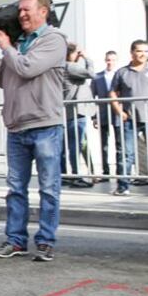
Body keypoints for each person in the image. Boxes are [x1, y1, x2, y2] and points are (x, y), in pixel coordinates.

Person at [0, 0, 67, 262]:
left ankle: (45, 241)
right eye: (19, 10)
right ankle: (16, 240)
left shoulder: (53, 40)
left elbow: (26, 68)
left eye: (26, 10)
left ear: (43, 11)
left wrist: (8, 47)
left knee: (48, 187)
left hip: (45, 125)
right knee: (16, 189)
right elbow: (1, 78)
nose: (21, 15)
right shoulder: (17, 42)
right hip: (16, 126)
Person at [108, 40, 148, 196]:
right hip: (129, 120)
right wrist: (119, 111)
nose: (143, 54)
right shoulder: (122, 72)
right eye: (140, 51)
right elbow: (113, 92)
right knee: (126, 154)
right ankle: (123, 186)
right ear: (132, 52)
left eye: (146, 51)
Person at [60, 43, 94, 188]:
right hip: (76, 112)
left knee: (68, 145)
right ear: (71, 54)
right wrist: (87, 59)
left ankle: (66, 174)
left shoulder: (63, 67)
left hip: (69, 112)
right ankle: (76, 175)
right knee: (76, 145)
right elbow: (91, 73)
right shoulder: (71, 67)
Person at [90, 51, 120, 181]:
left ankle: (121, 172)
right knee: (104, 145)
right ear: (105, 60)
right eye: (108, 60)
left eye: (113, 60)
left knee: (120, 143)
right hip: (103, 113)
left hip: (118, 113)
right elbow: (92, 97)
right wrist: (94, 116)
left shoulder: (120, 75)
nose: (110, 62)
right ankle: (105, 172)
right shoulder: (97, 77)